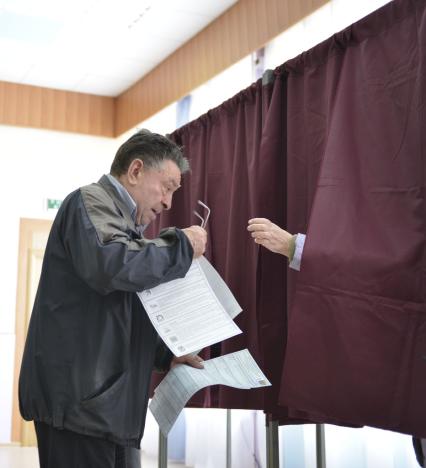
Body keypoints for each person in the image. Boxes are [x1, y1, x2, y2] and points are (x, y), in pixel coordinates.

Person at [19, 129, 207, 468]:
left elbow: (123, 311)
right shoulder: (89, 201)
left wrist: (166, 356)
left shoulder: (126, 228)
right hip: (80, 407)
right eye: (167, 187)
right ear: (135, 171)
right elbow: (111, 265)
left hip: (107, 408)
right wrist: (180, 246)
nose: (168, 203)